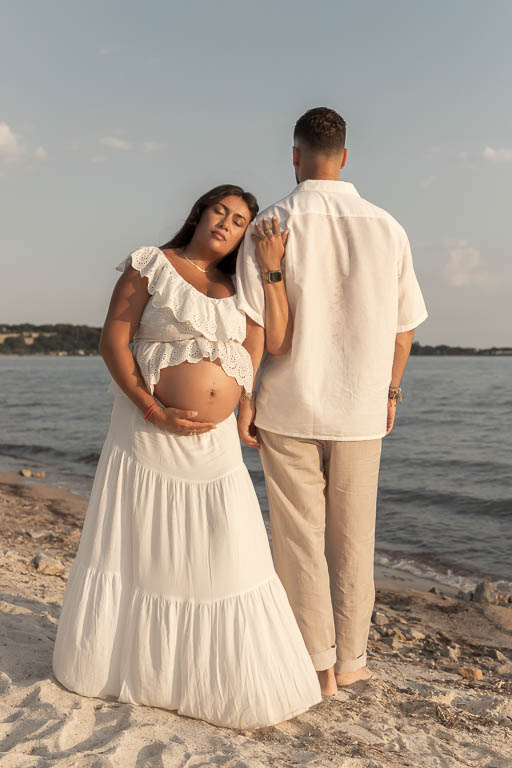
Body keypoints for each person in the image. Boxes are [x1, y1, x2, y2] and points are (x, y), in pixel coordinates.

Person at [52, 184, 322, 729]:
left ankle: (212, 680)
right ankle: (138, 672)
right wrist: (153, 411)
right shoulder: (153, 263)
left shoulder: (237, 284)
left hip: (215, 447)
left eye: (241, 219)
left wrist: (246, 403)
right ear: (200, 215)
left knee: (230, 549)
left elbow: (265, 345)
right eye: (220, 211)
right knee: (144, 549)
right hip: (146, 435)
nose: (227, 222)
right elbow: (114, 341)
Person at [236, 108, 428, 696]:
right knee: (354, 538)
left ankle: (316, 664)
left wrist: (245, 398)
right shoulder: (388, 227)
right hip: (360, 408)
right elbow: (403, 329)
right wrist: (391, 390)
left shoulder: (270, 223)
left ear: (294, 155)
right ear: (345, 156)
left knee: (299, 539)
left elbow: (254, 329)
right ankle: (352, 661)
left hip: (288, 402)